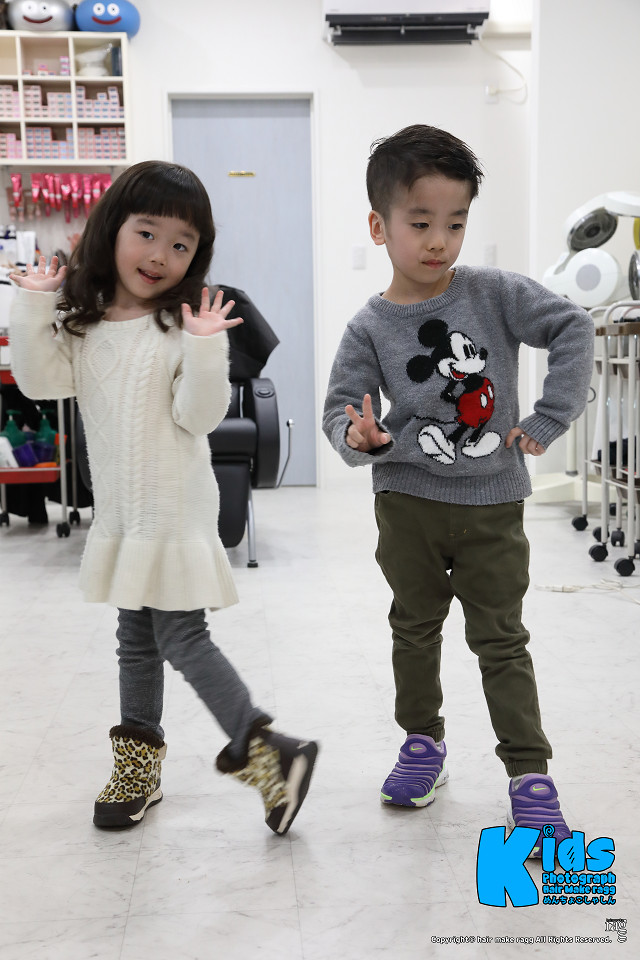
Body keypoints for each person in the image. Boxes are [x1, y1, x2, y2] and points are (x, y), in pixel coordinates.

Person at [9, 160, 317, 836]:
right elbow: (38, 382)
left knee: (180, 634)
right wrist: (31, 305)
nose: (160, 255)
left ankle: (267, 752)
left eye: (181, 244)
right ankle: (139, 767)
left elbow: (199, 415)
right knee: (136, 638)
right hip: (123, 514)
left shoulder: (179, 326)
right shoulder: (85, 323)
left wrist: (207, 349)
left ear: (196, 256)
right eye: (146, 234)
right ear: (112, 229)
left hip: (173, 509)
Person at [322, 125, 594, 856]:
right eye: (420, 223)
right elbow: (340, 409)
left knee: (501, 639)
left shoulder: (494, 294)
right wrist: (359, 437)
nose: (438, 241)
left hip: (492, 505)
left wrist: (550, 415)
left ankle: (529, 776)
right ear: (379, 226)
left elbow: (573, 326)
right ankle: (423, 744)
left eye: (455, 223)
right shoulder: (369, 326)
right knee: (413, 629)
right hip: (407, 505)